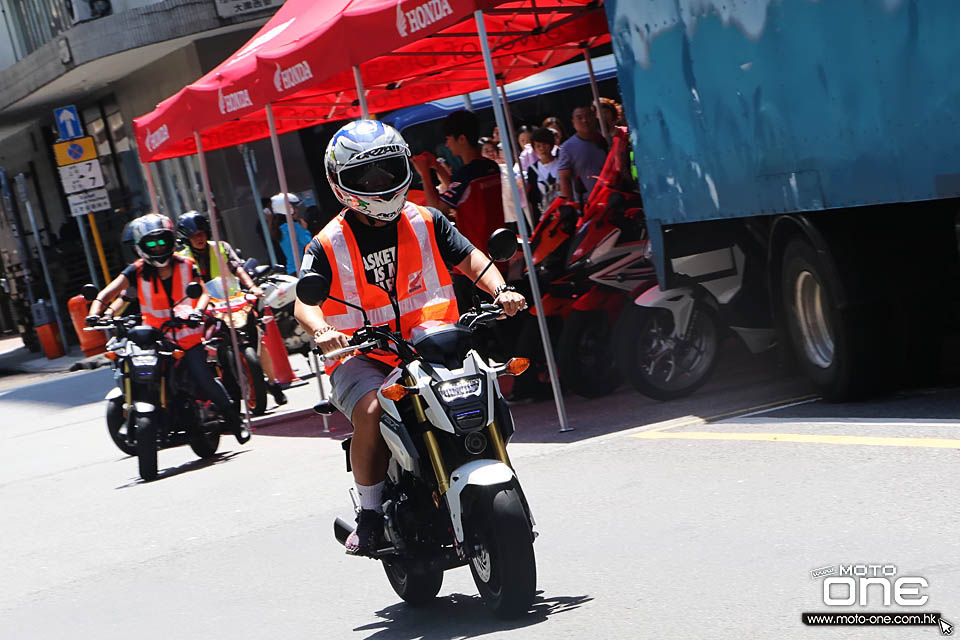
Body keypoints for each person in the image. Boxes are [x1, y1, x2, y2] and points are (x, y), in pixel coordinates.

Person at [294, 120, 526, 557]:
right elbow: (303, 301)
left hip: (431, 342)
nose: (379, 184)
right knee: (372, 408)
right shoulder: (328, 242)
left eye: (387, 171)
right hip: (362, 355)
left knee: (483, 384)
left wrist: (501, 289)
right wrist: (322, 329)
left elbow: (471, 258)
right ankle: (370, 514)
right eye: (366, 177)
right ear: (342, 184)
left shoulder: (427, 220)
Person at [85, 214, 249, 444]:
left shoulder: (186, 265)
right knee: (133, 365)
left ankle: (234, 420)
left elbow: (202, 292)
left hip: (187, 336)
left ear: (171, 241)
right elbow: (107, 294)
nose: (158, 247)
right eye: (151, 243)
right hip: (154, 338)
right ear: (140, 247)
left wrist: (197, 312)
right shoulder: (136, 271)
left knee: (203, 377)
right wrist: (95, 314)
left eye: (162, 241)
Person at [176, 211, 287, 407]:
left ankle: (272, 382)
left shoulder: (221, 247)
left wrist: (252, 288)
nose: (199, 238)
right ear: (187, 238)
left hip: (232, 302)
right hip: (204, 310)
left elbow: (238, 269)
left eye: (201, 233)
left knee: (258, 339)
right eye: (194, 236)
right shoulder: (181, 259)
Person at [557, 103, 608, 204]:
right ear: (573, 122)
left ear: (594, 117)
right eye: (579, 118)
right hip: (587, 205)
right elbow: (564, 178)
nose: (585, 121)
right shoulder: (567, 148)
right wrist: (570, 205)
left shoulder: (606, 139)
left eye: (588, 116)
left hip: (611, 198)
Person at [525, 127, 562, 224]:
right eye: (538, 146)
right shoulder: (533, 170)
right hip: (546, 217)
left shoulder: (561, 163)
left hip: (564, 212)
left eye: (545, 144)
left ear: (551, 144)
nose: (542, 149)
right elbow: (533, 198)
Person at [271, 193, 313, 275]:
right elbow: (310, 244)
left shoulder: (280, 228)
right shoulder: (294, 226)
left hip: (291, 270)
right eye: (294, 207)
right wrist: (305, 229)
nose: (297, 210)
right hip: (302, 269)